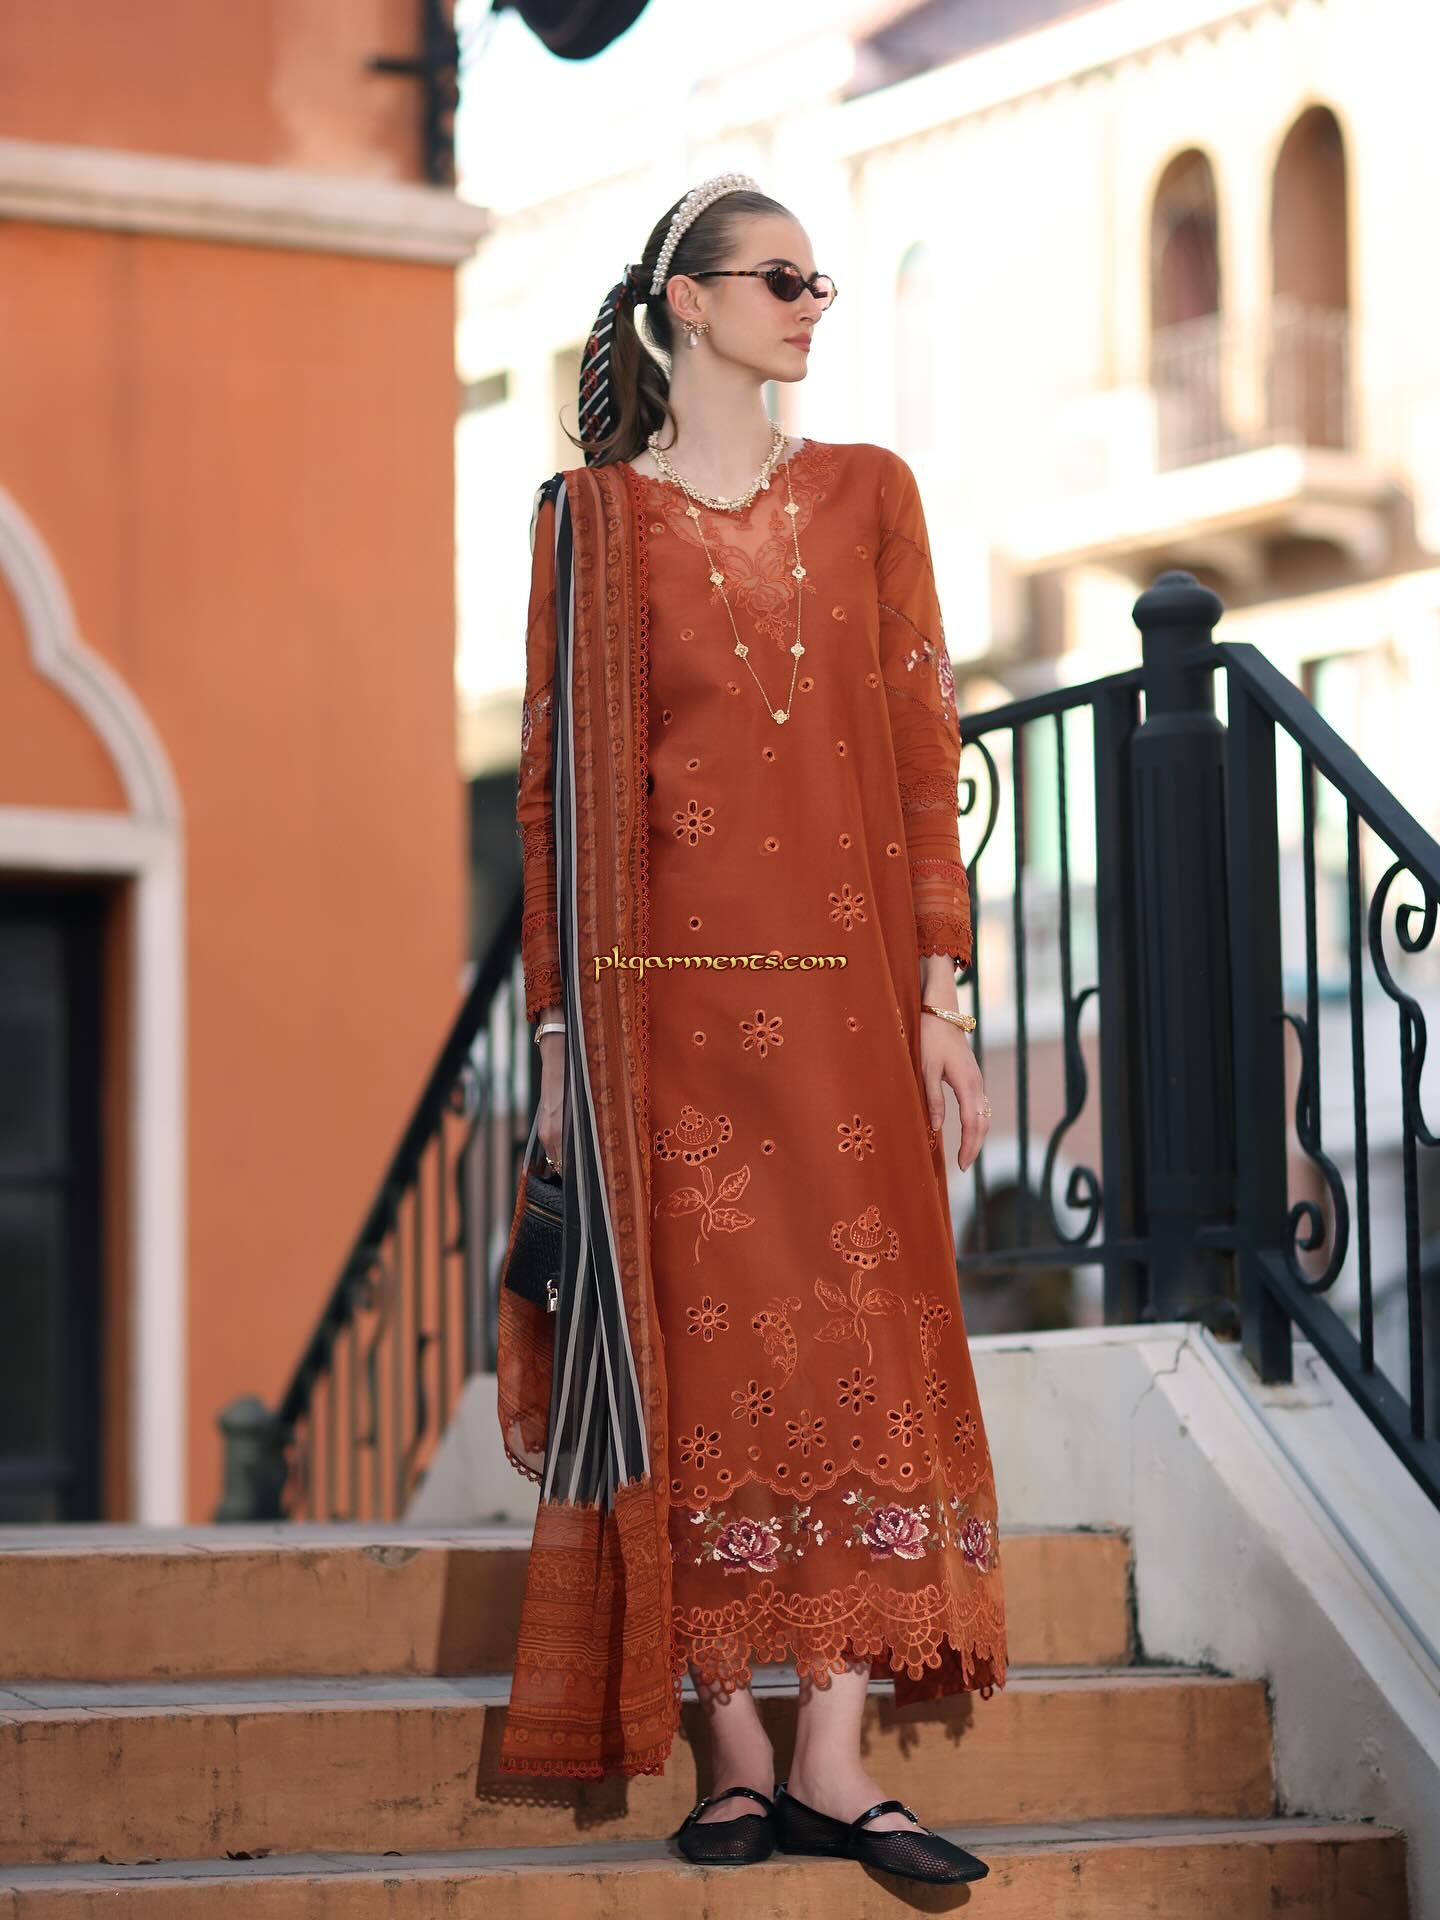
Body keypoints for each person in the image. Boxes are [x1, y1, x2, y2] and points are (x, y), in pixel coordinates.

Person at [497, 174, 1007, 1887]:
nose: (809, 306)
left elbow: (924, 749)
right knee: (707, 1370)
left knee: (856, 1344)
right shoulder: (592, 525)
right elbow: (556, 798)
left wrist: (942, 994)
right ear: (689, 303)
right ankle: (732, 1751)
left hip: (848, 1012)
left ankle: (835, 1759)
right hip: (669, 1023)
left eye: (817, 281)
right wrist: (558, 1049)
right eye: (780, 279)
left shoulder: (871, 494)